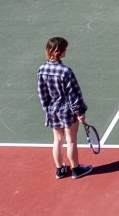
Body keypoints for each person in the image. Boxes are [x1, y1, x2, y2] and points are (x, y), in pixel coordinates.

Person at [37, 37, 95, 179]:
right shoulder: (66, 71)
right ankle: (75, 170)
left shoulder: (42, 69)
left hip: (52, 110)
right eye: (65, 49)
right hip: (67, 111)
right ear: (60, 51)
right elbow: (74, 94)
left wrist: (48, 109)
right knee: (71, 141)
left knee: (57, 140)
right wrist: (80, 111)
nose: (66, 51)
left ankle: (59, 170)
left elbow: (42, 93)